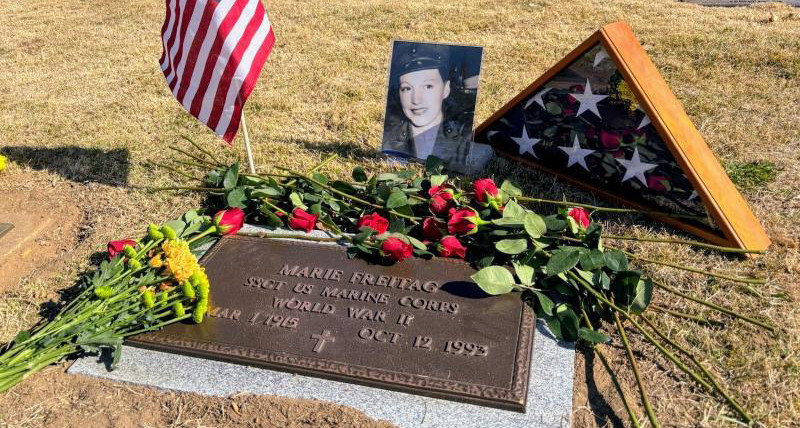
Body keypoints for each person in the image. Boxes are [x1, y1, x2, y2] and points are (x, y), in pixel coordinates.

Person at [382, 43, 475, 168]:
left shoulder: (465, 140)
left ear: (446, 89)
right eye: (407, 88)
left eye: (428, 86)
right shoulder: (389, 140)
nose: (416, 100)